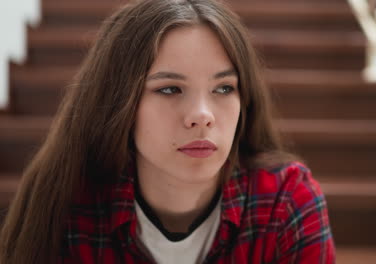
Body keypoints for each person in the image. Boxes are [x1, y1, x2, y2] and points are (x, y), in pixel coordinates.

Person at [0, 0, 336, 263]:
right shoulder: (70, 206)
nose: (202, 116)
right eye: (169, 89)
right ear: (121, 103)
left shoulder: (285, 202)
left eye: (223, 89)